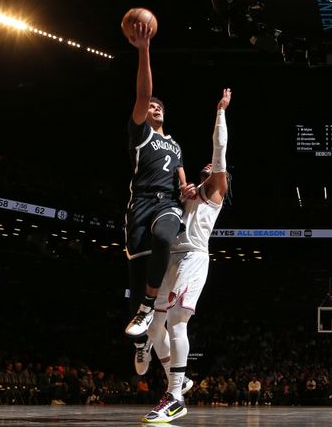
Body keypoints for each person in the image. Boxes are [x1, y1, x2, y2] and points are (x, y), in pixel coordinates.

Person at [140, 88, 232, 423]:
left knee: (178, 322)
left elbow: (219, 152)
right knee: (154, 328)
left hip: (194, 258)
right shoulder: (189, 196)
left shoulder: (216, 190)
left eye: (212, 168)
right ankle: (181, 379)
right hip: (172, 258)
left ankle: (176, 395)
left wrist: (221, 111)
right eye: (205, 167)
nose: (207, 166)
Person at [124, 21, 193, 355]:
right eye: (150, 105)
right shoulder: (141, 135)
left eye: (158, 106)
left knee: (165, 236)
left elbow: (182, 178)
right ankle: (142, 342)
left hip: (166, 203)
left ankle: (149, 305)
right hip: (139, 205)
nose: (153, 107)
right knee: (137, 282)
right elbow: (142, 94)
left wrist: (187, 189)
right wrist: (144, 50)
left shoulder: (176, 145)